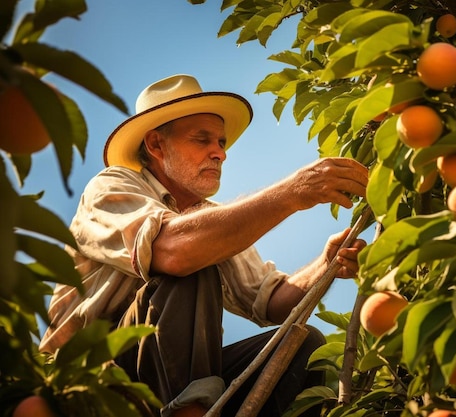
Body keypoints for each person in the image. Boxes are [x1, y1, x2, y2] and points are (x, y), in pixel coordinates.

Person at [39, 74, 369, 417]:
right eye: (202, 140)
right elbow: (174, 251)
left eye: (222, 143)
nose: (220, 154)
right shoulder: (110, 187)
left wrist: (326, 264)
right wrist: (292, 192)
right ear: (155, 145)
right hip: (86, 390)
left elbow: (270, 303)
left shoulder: (208, 224)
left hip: (156, 390)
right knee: (187, 267)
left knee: (304, 344)